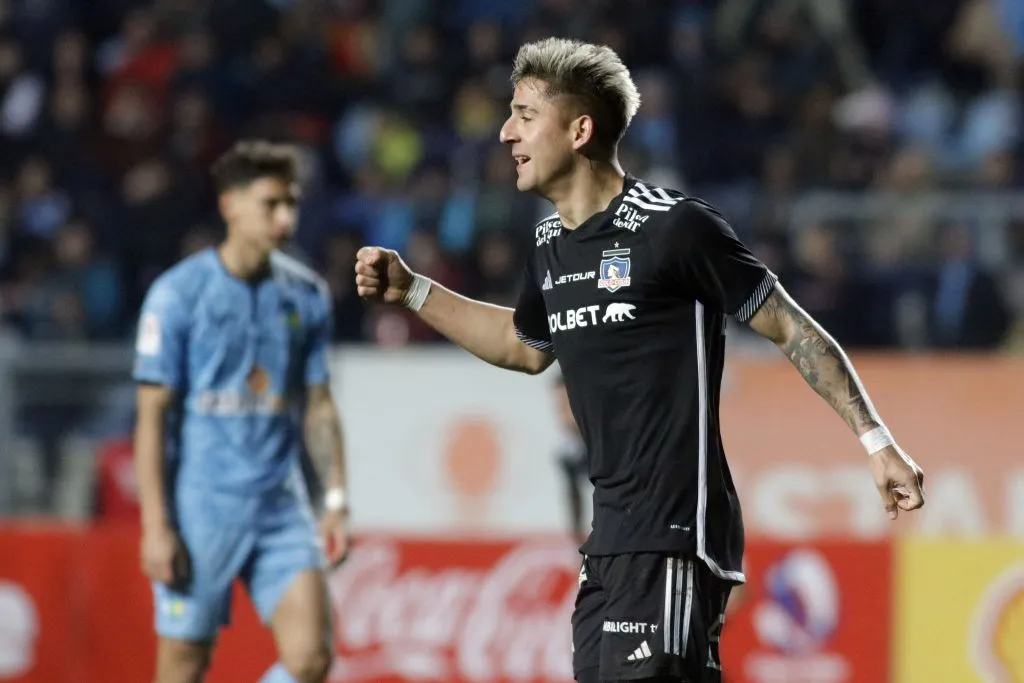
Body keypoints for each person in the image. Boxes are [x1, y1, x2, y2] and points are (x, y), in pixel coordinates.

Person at [354, 38, 925, 683]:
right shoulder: (549, 246)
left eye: (522, 113)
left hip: (676, 534)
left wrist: (876, 440)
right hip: (611, 545)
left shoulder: (673, 228)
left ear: (579, 129)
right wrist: (413, 290)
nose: (505, 131)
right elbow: (523, 345)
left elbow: (789, 325)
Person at [133, 140, 350, 683]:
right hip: (203, 508)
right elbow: (152, 418)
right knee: (184, 665)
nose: (286, 217)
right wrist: (156, 526)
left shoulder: (306, 295)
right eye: (271, 204)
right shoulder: (178, 295)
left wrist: (336, 500)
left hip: (281, 506)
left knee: (311, 660)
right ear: (230, 205)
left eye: (292, 203)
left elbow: (319, 408)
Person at [552, 370, 590, 547]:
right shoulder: (569, 453)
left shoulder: (608, 444)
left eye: (567, 406)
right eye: (560, 407)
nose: (563, 415)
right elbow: (574, 497)